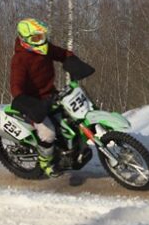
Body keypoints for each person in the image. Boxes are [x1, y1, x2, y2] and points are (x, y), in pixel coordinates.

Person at [9, 18, 94, 177]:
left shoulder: (46, 48)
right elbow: (16, 86)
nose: (42, 41)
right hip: (34, 103)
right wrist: (25, 101)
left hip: (51, 95)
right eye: (37, 38)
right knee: (48, 133)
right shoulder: (20, 60)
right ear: (25, 40)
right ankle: (45, 162)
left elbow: (62, 54)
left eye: (43, 36)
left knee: (71, 120)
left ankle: (72, 148)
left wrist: (72, 61)